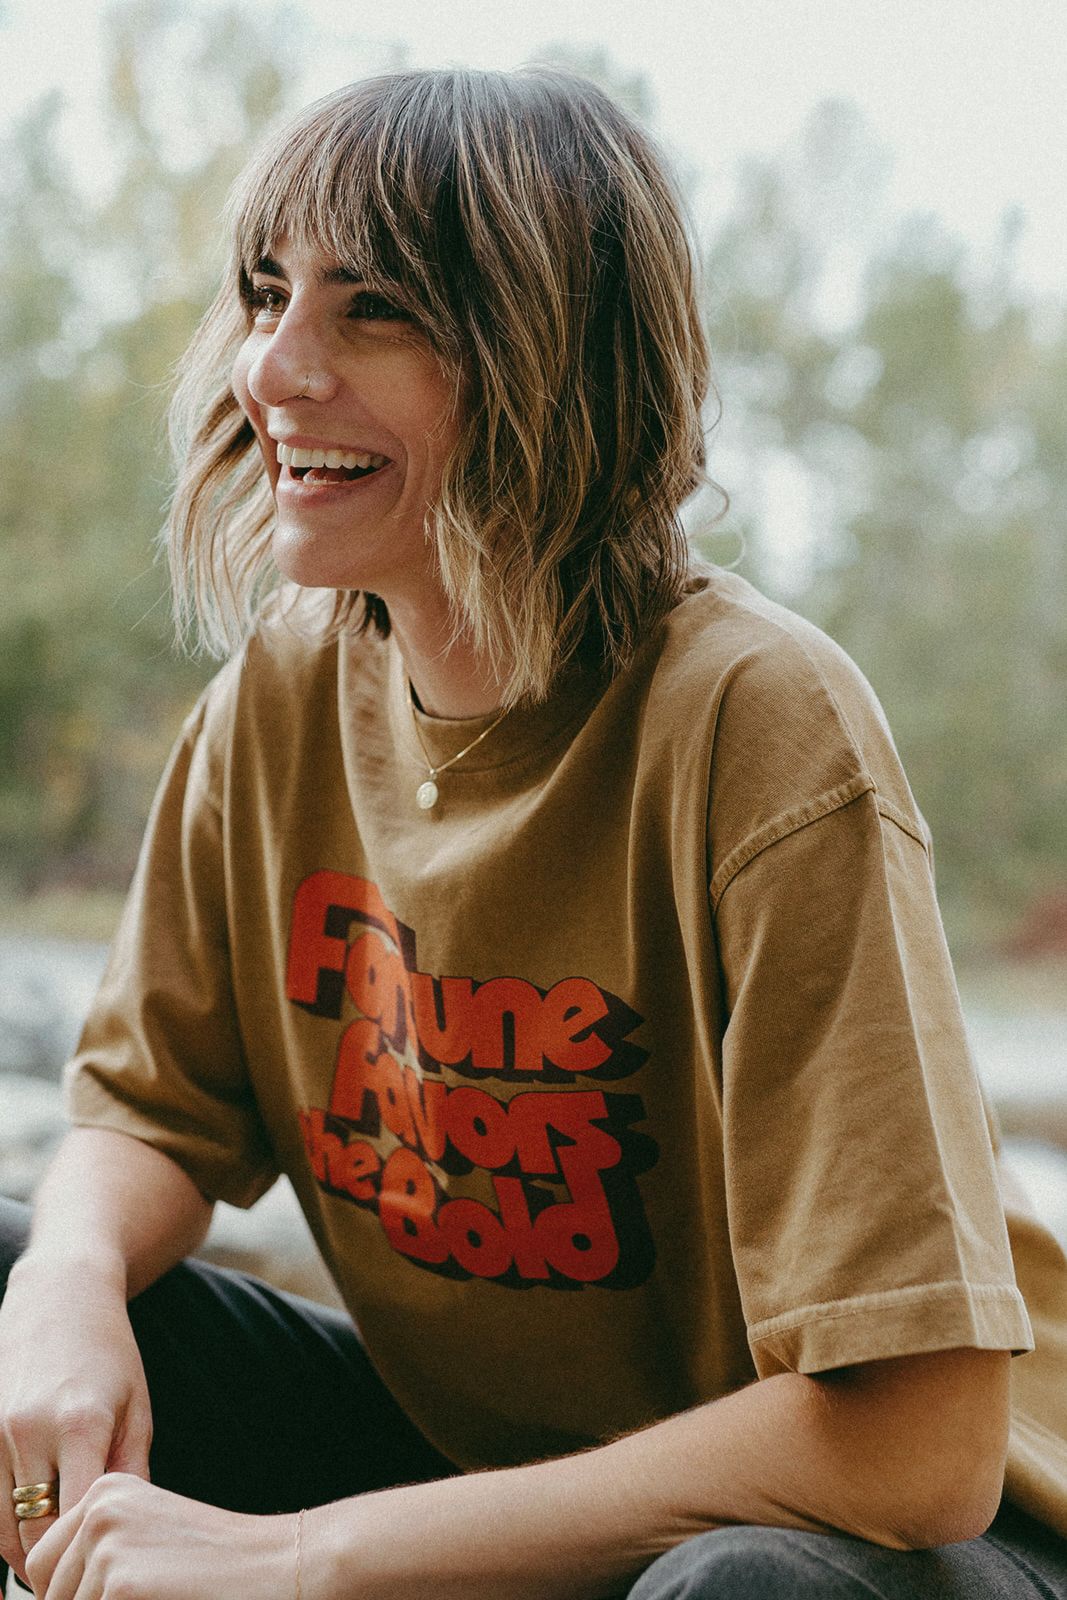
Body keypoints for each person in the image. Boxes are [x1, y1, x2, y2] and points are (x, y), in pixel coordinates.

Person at [1, 65, 1066, 1600]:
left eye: (372, 309)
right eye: (263, 295)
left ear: (550, 364)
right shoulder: (282, 701)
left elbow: (919, 1448)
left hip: (890, 1540)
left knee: (734, 1593)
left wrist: (307, 1557)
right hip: (487, 1484)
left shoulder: (760, 723)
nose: (276, 370)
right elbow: (147, 1115)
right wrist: (66, 1284)